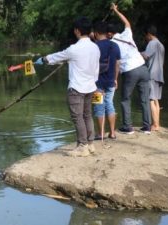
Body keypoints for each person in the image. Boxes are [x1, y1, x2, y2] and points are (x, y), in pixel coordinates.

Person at [35, 17, 100, 157]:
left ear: (77, 31)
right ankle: (90, 144)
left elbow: (56, 57)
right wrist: (94, 82)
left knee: (78, 117)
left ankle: (82, 146)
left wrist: (43, 59)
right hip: (90, 87)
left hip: (76, 88)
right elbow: (96, 69)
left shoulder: (74, 49)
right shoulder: (95, 48)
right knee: (87, 115)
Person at [110, 3, 151, 134]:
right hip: (143, 68)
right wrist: (116, 11)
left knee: (125, 98)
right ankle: (147, 127)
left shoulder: (112, 43)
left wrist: (115, 79)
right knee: (145, 98)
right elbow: (126, 22)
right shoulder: (127, 34)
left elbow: (115, 62)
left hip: (130, 70)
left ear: (110, 33)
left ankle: (128, 127)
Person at [93, 21, 121, 140]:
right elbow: (118, 64)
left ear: (96, 33)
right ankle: (113, 133)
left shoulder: (94, 46)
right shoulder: (115, 45)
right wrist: (115, 79)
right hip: (110, 82)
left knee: (99, 106)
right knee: (110, 104)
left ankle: (101, 134)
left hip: (97, 83)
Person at [141, 25, 165, 131]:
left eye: (146, 35)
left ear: (149, 34)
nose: (145, 38)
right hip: (160, 75)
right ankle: (157, 124)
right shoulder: (161, 44)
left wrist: (137, 52)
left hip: (152, 75)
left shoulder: (152, 43)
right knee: (156, 100)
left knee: (150, 99)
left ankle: (155, 125)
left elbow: (146, 56)